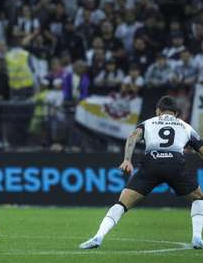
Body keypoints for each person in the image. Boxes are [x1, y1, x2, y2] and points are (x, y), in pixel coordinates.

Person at [79, 96, 203, 249]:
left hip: (151, 163)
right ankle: (197, 237)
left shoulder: (148, 122)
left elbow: (132, 136)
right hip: (175, 164)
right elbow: (201, 149)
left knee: (122, 203)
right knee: (199, 198)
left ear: (158, 110)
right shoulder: (186, 126)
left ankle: (98, 237)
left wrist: (127, 160)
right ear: (176, 113)